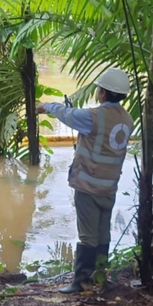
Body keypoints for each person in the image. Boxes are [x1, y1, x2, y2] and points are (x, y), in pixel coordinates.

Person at [36, 67, 134, 294]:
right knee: (103, 233)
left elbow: (67, 115)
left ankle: (81, 282)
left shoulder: (93, 117)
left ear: (102, 93)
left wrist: (46, 106)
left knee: (87, 235)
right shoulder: (128, 120)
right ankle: (99, 277)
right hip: (109, 188)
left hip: (88, 187)